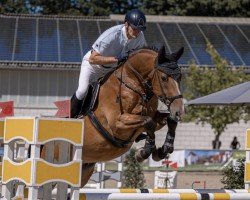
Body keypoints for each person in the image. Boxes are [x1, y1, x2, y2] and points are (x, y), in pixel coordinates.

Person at [70, 9, 147, 118]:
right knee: (82, 90)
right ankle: (72, 118)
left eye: (140, 29)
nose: (137, 32)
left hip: (111, 69)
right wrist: (116, 59)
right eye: (135, 29)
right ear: (126, 24)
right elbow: (93, 58)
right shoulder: (112, 34)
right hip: (92, 66)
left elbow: (140, 57)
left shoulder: (140, 37)